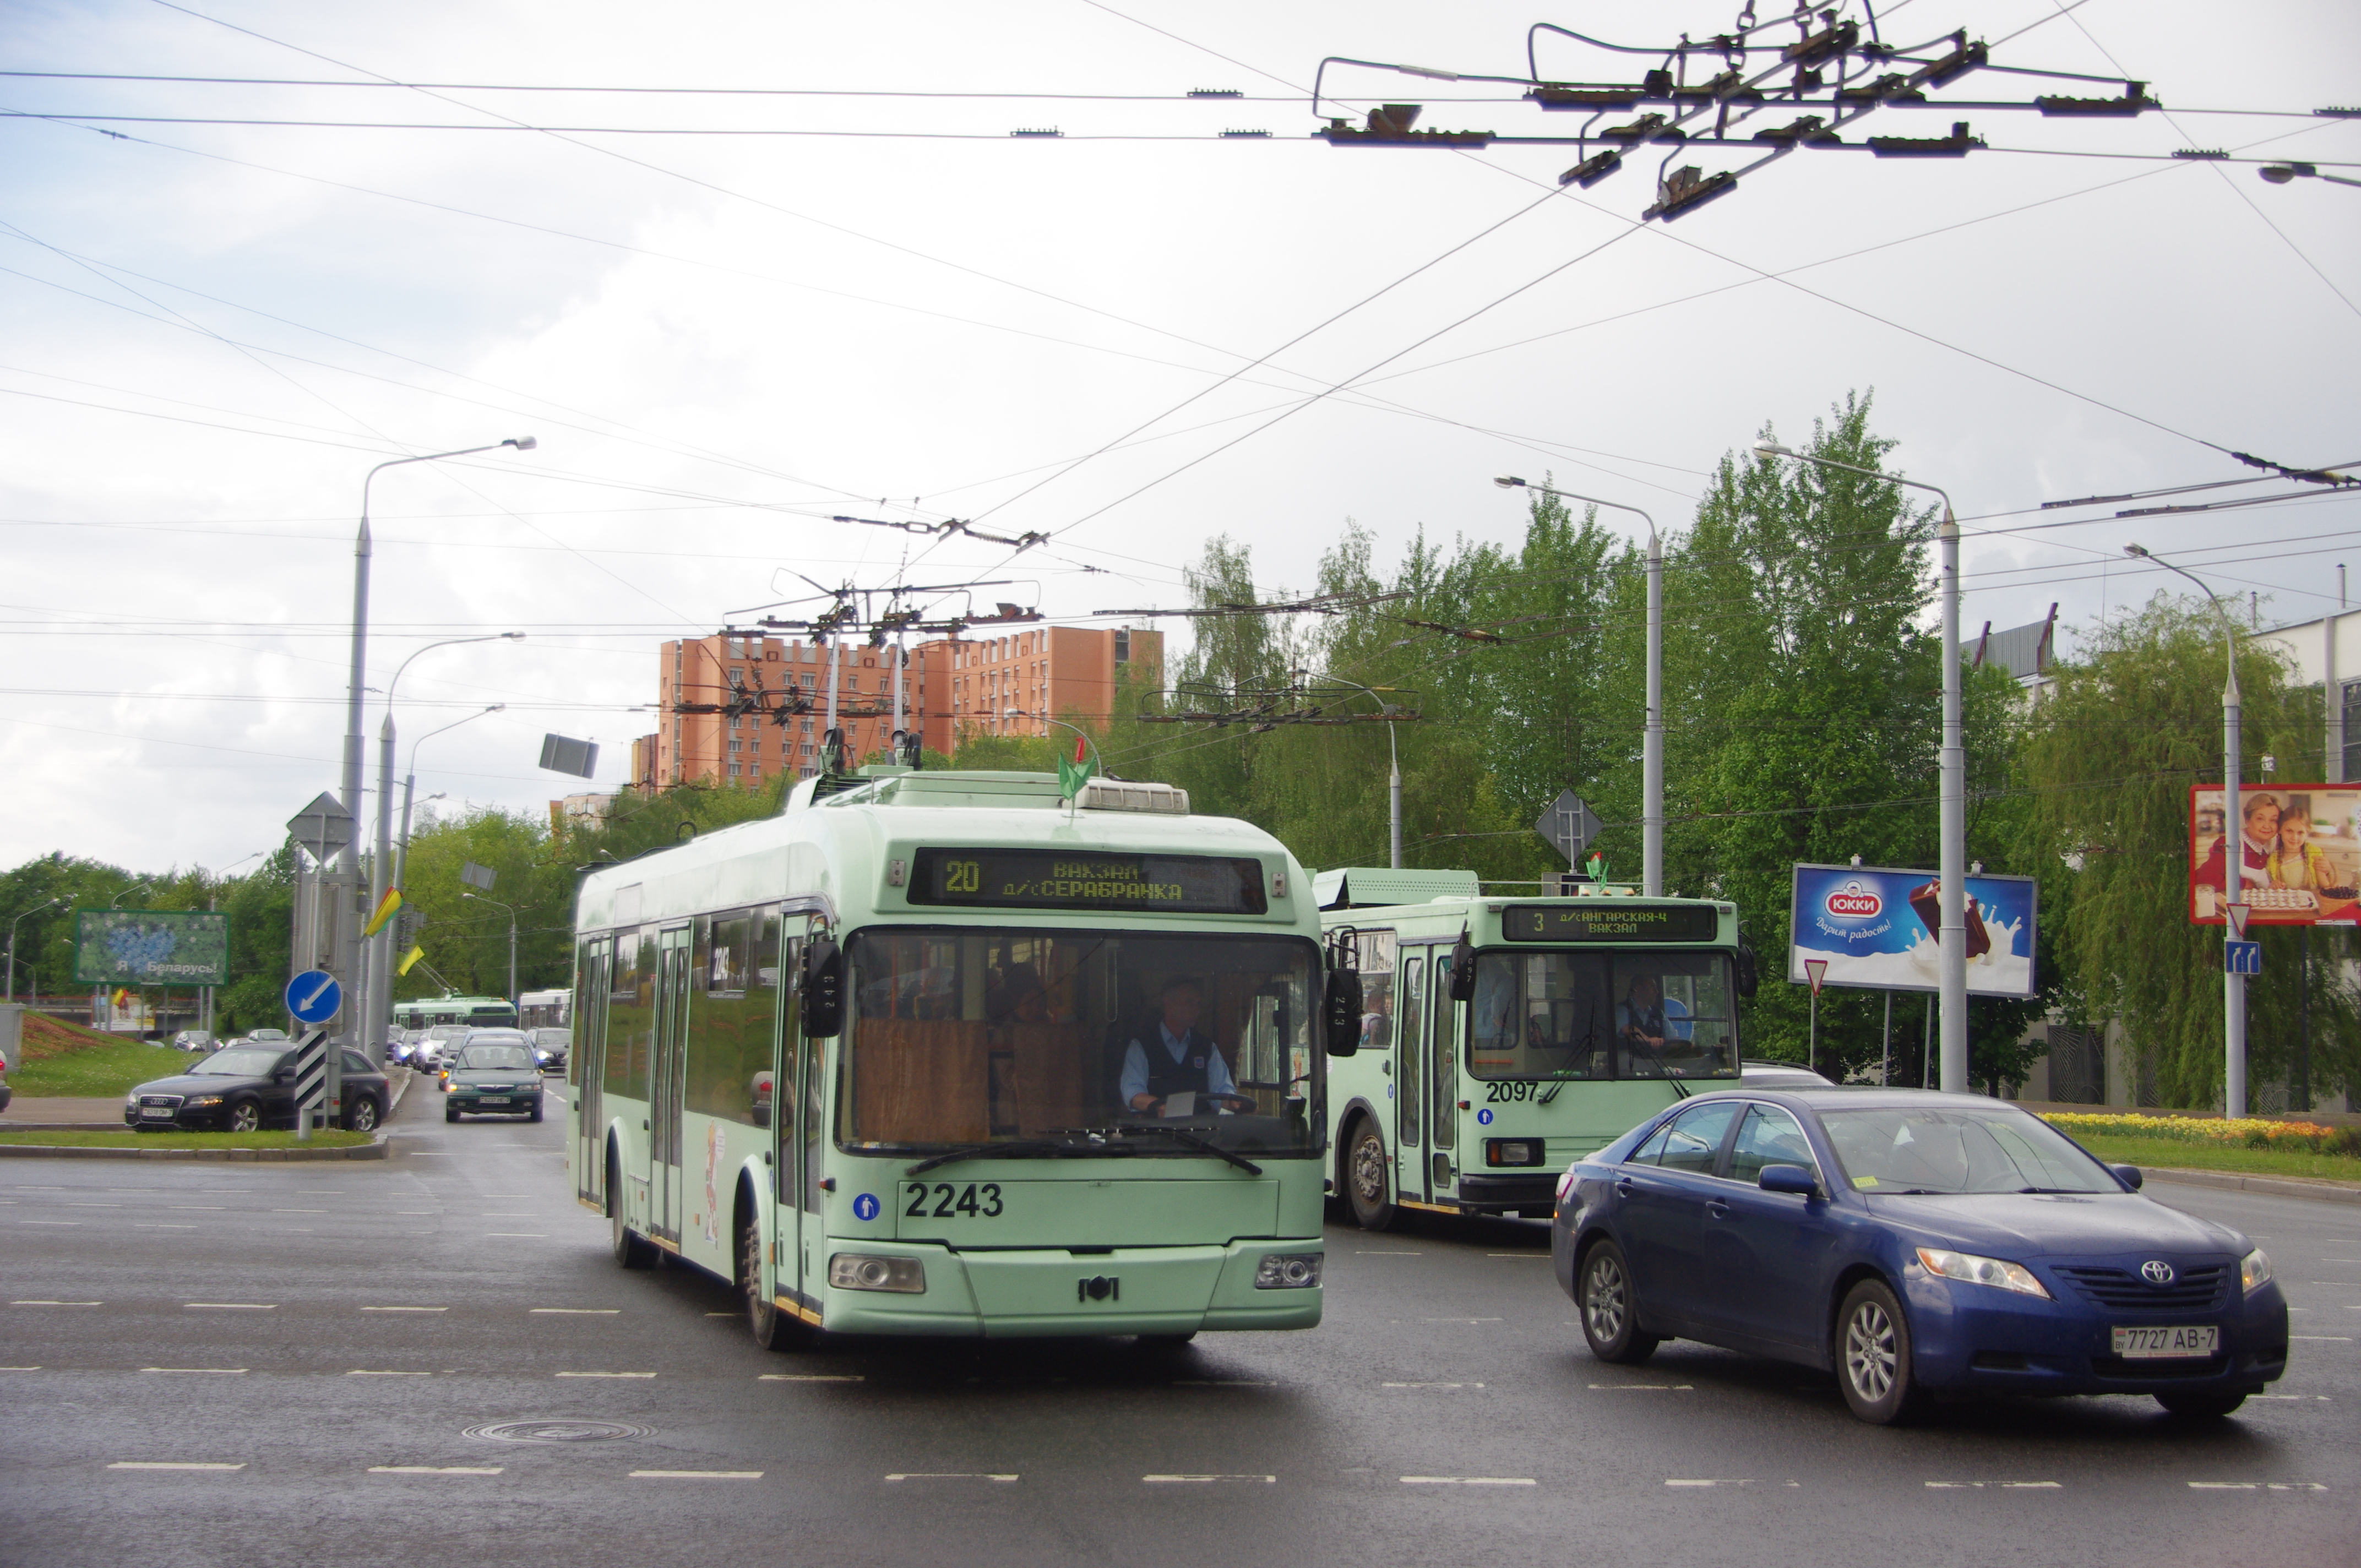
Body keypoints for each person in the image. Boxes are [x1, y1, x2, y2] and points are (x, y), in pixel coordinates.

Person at [1120, 976, 1251, 1116]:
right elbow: (1133, 1095)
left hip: (1202, 1134)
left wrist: (1231, 1102)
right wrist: (1160, 1107)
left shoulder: (1207, 1048)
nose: (1195, 1010)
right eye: (1189, 1003)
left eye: (1198, 1004)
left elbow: (1222, 1091)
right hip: (1156, 1133)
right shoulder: (1141, 1046)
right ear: (1168, 1002)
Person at [2195, 792, 2280, 900]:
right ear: (2248, 820)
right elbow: (2202, 879)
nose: (2267, 826)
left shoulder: (2277, 844)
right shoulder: (2230, 842)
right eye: (2260, 819)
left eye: (2273, 820)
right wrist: (2243, 883)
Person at [2270, 799, 2354, 897]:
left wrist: (2333, 887)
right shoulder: (2274, 860)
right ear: (2280, 830)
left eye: (2300, 833)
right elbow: (2273, 888)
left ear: (2307, 832)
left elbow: (2325, 885)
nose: (2295, 838)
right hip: (2287, 903)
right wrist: (2274, 885)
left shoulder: (2313, 854)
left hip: (2312, 901)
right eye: (2289, 831)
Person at [1615, 973, 1691, 1064]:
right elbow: (1629, 1030)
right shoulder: (1621, 1010)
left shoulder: (1658, 1013)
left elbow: (1673, 1038)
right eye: (1653, 988)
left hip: (1656, 1066)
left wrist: (1685, 1047)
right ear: (1639, 989)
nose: (1657, 992)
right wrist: (1649, 1040)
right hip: (1629, 1067)